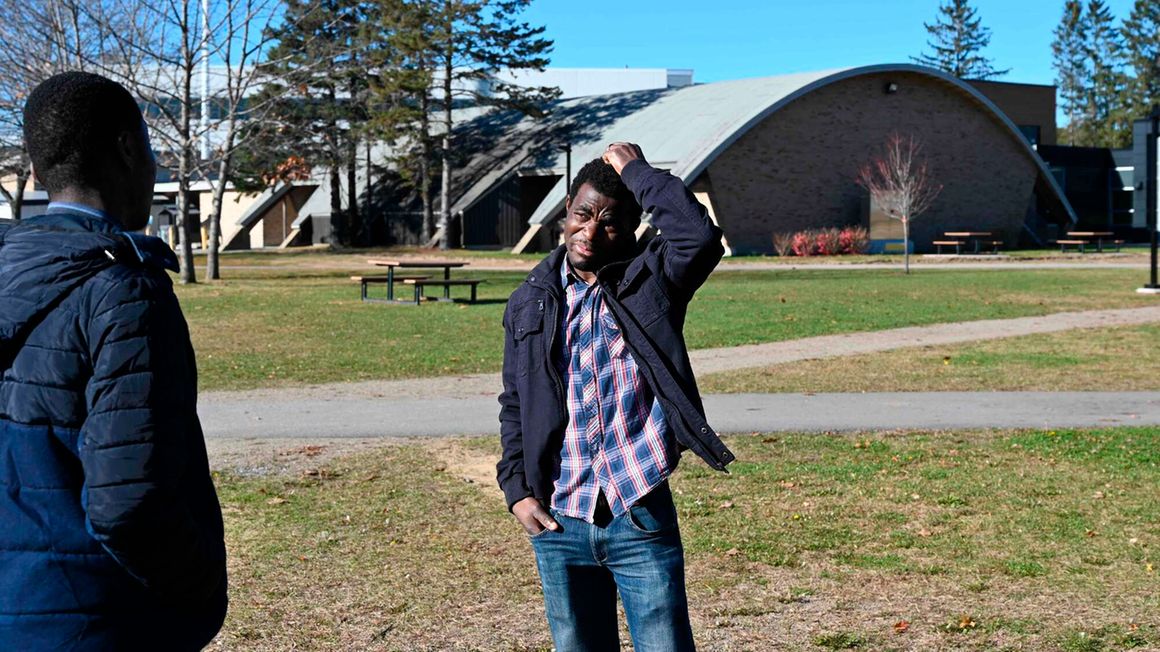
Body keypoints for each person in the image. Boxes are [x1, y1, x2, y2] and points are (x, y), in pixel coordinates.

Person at [0, 72, 227, 650]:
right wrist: (200, 593)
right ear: (128, 149)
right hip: (91, 619)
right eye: (151, 148)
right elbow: (127, 502)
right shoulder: (123, 290)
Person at [497, 142, 735, 651]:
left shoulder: (652, 281)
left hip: (638, 509)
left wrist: (635, 169)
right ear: (566, 212)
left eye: (608, 222)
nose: (590, 231)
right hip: (560, 517)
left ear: (630, 229)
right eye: (582, 215)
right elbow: (515, 401)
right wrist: (517, 489)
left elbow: (698, 236)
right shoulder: (530, 300)